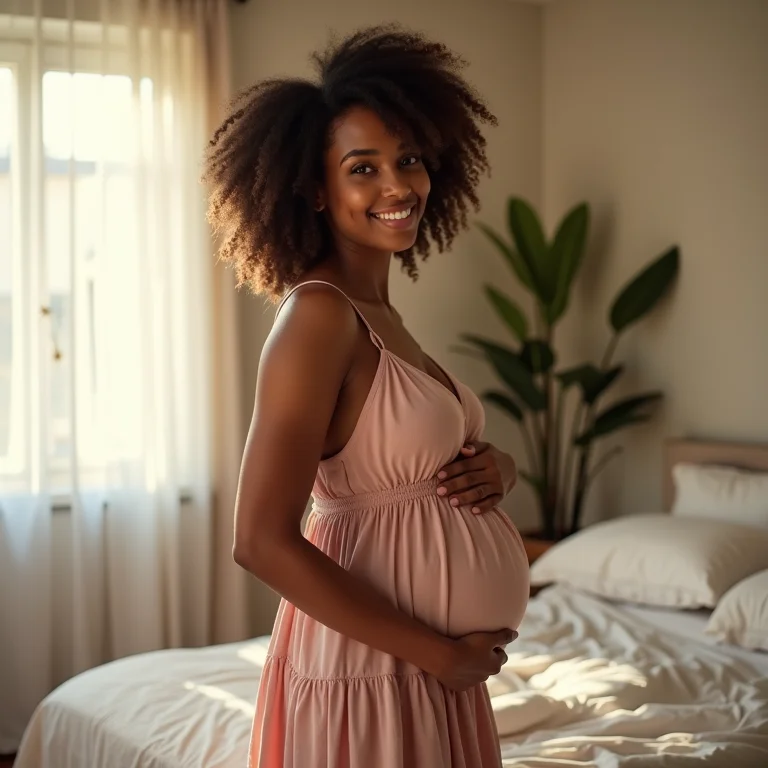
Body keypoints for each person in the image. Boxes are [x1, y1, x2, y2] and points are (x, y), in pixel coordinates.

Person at [203, 23, 531, 768]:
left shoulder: (379, 315)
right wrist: (435, 655)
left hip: (429, 667)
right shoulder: (319, 316)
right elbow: (258, 538)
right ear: (315, 190)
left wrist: (500, 468)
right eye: (363, 168)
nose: (398, 187)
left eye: (408, 160)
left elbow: (412, 457)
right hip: (379, 665)